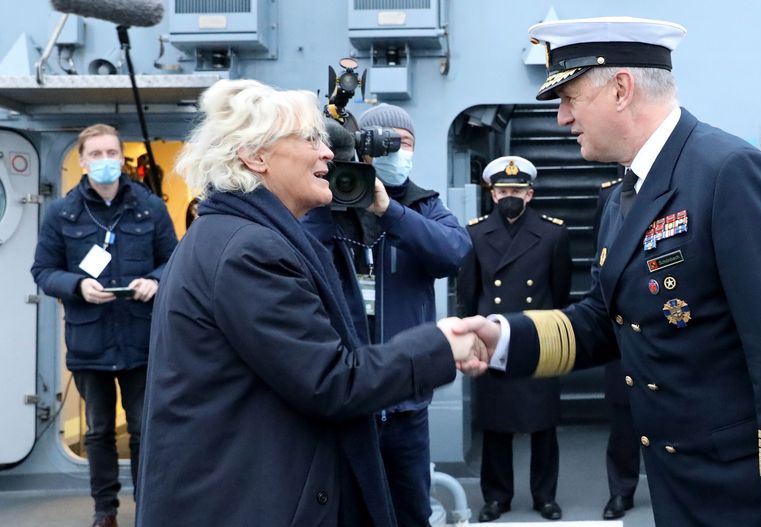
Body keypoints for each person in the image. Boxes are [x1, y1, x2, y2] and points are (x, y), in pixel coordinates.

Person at [458, 16, 761, 527]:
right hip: (691, 487)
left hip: (759, 496)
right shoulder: (628, 193)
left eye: (568, 98)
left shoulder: (729, 171)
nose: (562, 118)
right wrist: (500, 338)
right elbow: (603, 319)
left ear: (621, 89)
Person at [134, 79, 485, 527]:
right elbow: (330, 382)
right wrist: (440, 345)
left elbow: (452, 251)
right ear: (255, 156)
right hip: (242, 500)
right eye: (311, 139)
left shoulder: (236, 234)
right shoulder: (250, 251)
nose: (328, 154)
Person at [302, 103, 472, 527]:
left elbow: (454, 253)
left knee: (410, 510)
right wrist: (332, 197)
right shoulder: (328, 203)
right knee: (343, 511)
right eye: (386, 143)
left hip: (405, 399)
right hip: (344, 393)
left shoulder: (424, 205)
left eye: (405, 143)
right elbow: (298, 253)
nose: (396, 151)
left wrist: (389, 212)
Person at [31, 123, 178, 527]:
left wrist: (155, 281)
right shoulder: (62, 213)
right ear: (82, 161)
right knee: (97, 431)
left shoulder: (149, 207)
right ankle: (105, 511)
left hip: (140, 340)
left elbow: (175, 261)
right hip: (89, 342)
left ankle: (148, 508)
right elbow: (43, 271)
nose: (105, 161)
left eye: (111, 153)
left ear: (121, 157)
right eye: (95, 154)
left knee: (144, 429)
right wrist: (77, 285)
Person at [457, 156, 571, 522]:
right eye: (504, 190)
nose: (510, 196)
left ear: (530, 194)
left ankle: (545, 496)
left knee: (544, 423)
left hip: (538, 335)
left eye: (517, 191)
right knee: (496, 422)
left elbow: (560, 291)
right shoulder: (475, 233)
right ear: (492, 194)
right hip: (494, 339)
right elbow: (469, 294)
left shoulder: (553, 233)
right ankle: (496, 497)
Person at [595, 172, 641, 520]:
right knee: (623, 423)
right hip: (623, 326)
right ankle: (621, 491)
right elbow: (602, 257)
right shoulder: (610, 195)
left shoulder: (682, 184)